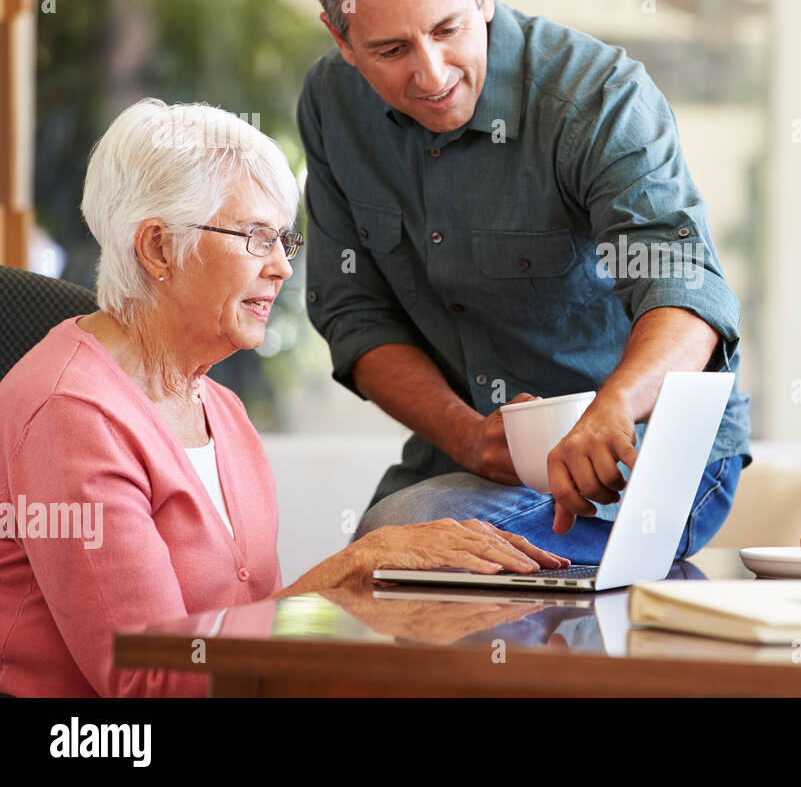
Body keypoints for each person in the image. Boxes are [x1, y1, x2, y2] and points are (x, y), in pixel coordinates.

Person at [0, 100, 566, 697]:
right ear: (158, 249)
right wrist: (346, 572)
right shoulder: (71, 415)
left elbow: (249, 624)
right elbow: (156, 682)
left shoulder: (220, 408)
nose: (281, 268)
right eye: (255, 238)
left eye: (284, 239)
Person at [300, 0, 751, 562]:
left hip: (652, 453)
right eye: (390, 50)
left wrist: (613, 406)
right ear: (340, 35)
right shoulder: (331, 106)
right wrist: (463, 434)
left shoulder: (596, 97)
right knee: (378, 569)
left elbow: (684, 289)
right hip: (461, 460)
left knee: (396, 553)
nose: (431, 73)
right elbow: (354, 314)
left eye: (448, 29)